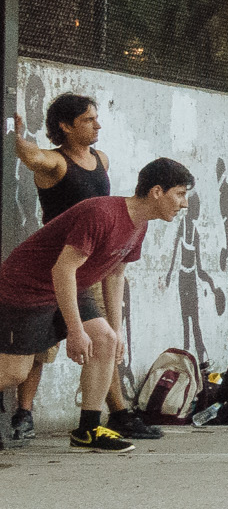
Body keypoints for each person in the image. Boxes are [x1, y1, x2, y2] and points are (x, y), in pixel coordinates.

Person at [0, 157, 195, 453]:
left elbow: (115, 275)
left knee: (105, 340)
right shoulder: (101, 213)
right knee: (14, 373)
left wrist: (116, 331)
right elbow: (62, 269)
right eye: (180, 194)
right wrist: (75, 330)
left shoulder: (139, 224)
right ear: (157, 192)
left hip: (70, 287)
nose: (184, 204)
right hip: (27, 288)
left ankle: (87, 431)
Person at [8, 98, 157, 442]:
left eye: (96, 118)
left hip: (93, 268)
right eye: (88, 119)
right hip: (59, 267)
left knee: (105, 339)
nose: (97, 125)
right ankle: (24, 413)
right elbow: (32, 157)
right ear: (65, 125)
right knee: (38, 349)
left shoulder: (101, 160)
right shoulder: (55, 163)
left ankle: (114, 415)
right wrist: (14, 136)